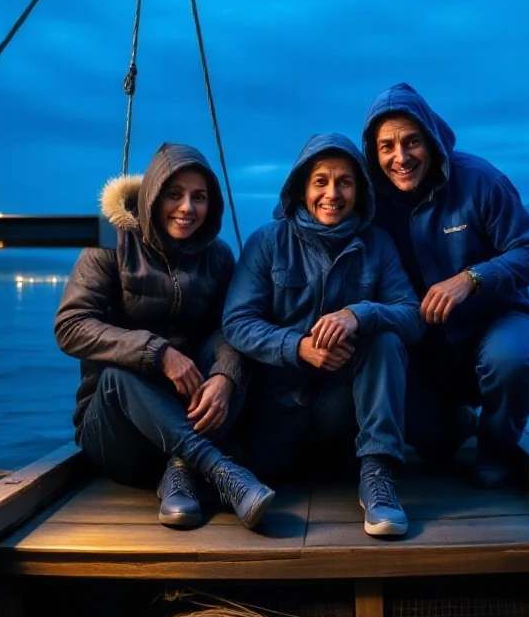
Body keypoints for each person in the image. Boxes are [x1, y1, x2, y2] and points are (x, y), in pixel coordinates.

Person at [54, 143, 274, 530]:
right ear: (153, 195)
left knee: (234, 350)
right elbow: (70, 325)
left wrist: (225, 377)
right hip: (118, 435)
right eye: (175, 194)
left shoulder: (218, 256)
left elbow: (233, 326)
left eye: (199, 197)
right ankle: (219, 471)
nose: (187, 207)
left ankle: (180, 468)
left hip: (183, 421)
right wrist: (158, 353)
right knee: (119, 374)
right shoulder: (111, 239)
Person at [222, 133, 425, 537]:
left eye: (345, 182)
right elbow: (236, 322)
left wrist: (358, 314)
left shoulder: (377, 244)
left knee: (385, 338)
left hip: (343, 421)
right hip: (276, 419)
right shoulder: (267, 242)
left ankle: (378, 477)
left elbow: (412, 317)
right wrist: (298, 348)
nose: (332, 193)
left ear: (359, 190)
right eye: (321, 182)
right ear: (302, 187)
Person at [361, 83, 529, 488]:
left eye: (411, 141)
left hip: (497, 318)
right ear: (374, 153)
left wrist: (471, 278)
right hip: (426, 343)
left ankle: (496, 449)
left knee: (513, 361)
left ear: (430, 139)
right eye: (387, 147)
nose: (401, 157)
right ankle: (457, 422)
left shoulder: (479, 180)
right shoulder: (371, 201)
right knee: (432, 444)